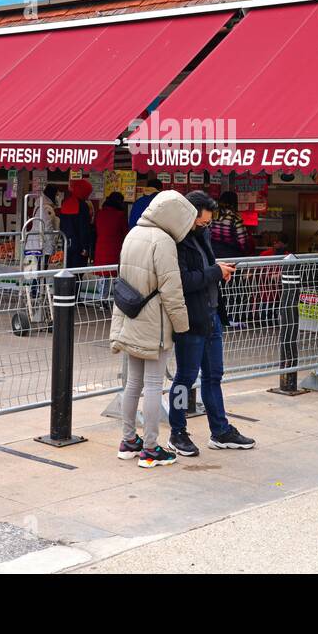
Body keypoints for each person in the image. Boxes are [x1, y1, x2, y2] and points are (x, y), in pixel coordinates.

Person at [167, 191, 256, 456]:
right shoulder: (177, 240)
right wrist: (215, 271)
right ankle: (177, 431)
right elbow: (182, 281)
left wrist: (217, 268)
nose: (206, 227)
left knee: (214, 375)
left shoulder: (201, 234)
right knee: (185, 377)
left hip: (212, 314)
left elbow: (203, 270)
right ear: (189, 216)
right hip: (191, 319)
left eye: (208, 223)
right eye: (203, 223)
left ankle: (220, 430)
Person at [111, 189, 194, 468]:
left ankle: (128, 441)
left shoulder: (132, 234)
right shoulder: (164, 241)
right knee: (154, 385)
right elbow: (172, 290)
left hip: (131, 316)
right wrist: (182, 326)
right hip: (155, 323)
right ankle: (150, 448)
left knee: (133, 383)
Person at [59, 178, 95, 268]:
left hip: (66, 243)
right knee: (78, 273)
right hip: (78, 246)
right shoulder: (82, 206)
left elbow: (61, 225)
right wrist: (85, 247)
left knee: (68, 271)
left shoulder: (65, 203)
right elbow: (83, 228)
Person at [208, 191, 252, 259]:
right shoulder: (234, 218)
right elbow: (243, 241)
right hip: (231, 257)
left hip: (212, 255)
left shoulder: (211, 215)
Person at [93, 192, 129, 266]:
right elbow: (125, 232)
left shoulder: (99, 213)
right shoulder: (120, 215)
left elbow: (95, 229)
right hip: (115, 247)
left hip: (100, 246)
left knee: (102, 271)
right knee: (113, 270)